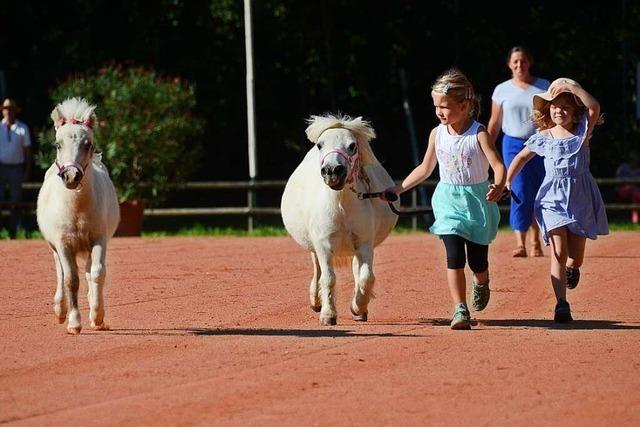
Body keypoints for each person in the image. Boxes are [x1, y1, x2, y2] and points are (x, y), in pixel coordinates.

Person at [383, 69, 505, 330]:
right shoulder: (437, 134)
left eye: (445, 106)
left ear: (464, 106)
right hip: (448, 201)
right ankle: (460, 309)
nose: (439, 111)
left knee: (477, 261)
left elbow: (498, 165)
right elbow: (425, 169)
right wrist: (398, 188)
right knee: (453, 255)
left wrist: (498, 185)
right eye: (436, 105)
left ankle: (481, 281)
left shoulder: (478, 134)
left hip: (476, 201)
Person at [506, 78, 609, 323]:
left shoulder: (583, 133)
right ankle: (561, 304)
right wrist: (507, 181)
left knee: (575, 258)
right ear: (547, 110)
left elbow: (593, 107)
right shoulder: (543, 136)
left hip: (580, 196)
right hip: (551, 197)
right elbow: (521, 157)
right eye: (554, 105)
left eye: (565, 107)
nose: (558, 110)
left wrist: (573, 88)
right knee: (559, 253)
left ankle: (573, 270)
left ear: (575, 114)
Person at [488, 46, 550, 257]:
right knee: (519, 189)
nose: (519, 65)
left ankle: (536, 241)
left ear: (529, 62)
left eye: (523, 61)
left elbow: (553, 118)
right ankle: (520, 242)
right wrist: (485, 147)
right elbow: (494, 123)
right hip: (513, 143)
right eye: (515, 61)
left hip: (540, 142)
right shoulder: (501, 90)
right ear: (509, 64)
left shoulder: (543, 86)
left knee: (539, 190)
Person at [0, 98, 32, 238]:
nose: (8, 111)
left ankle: (12, 231)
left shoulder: (22, 128)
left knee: (15, 201)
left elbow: (28, 151)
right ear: (3, 111)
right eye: (6, 109)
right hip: (1, 167)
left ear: (15, 112)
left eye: (11, 109)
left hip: (16, 168)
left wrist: (27, 169)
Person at [615, 150, 640, 224]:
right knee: (633, 191)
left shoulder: (638, 170)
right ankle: (635, 215)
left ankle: (635, 214)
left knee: (634, 194)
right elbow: (618, 179)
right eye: (632, 159)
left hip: (635, 190)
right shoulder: (623, 167)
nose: (634, 161)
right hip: (623, 189)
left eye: (635, 159)